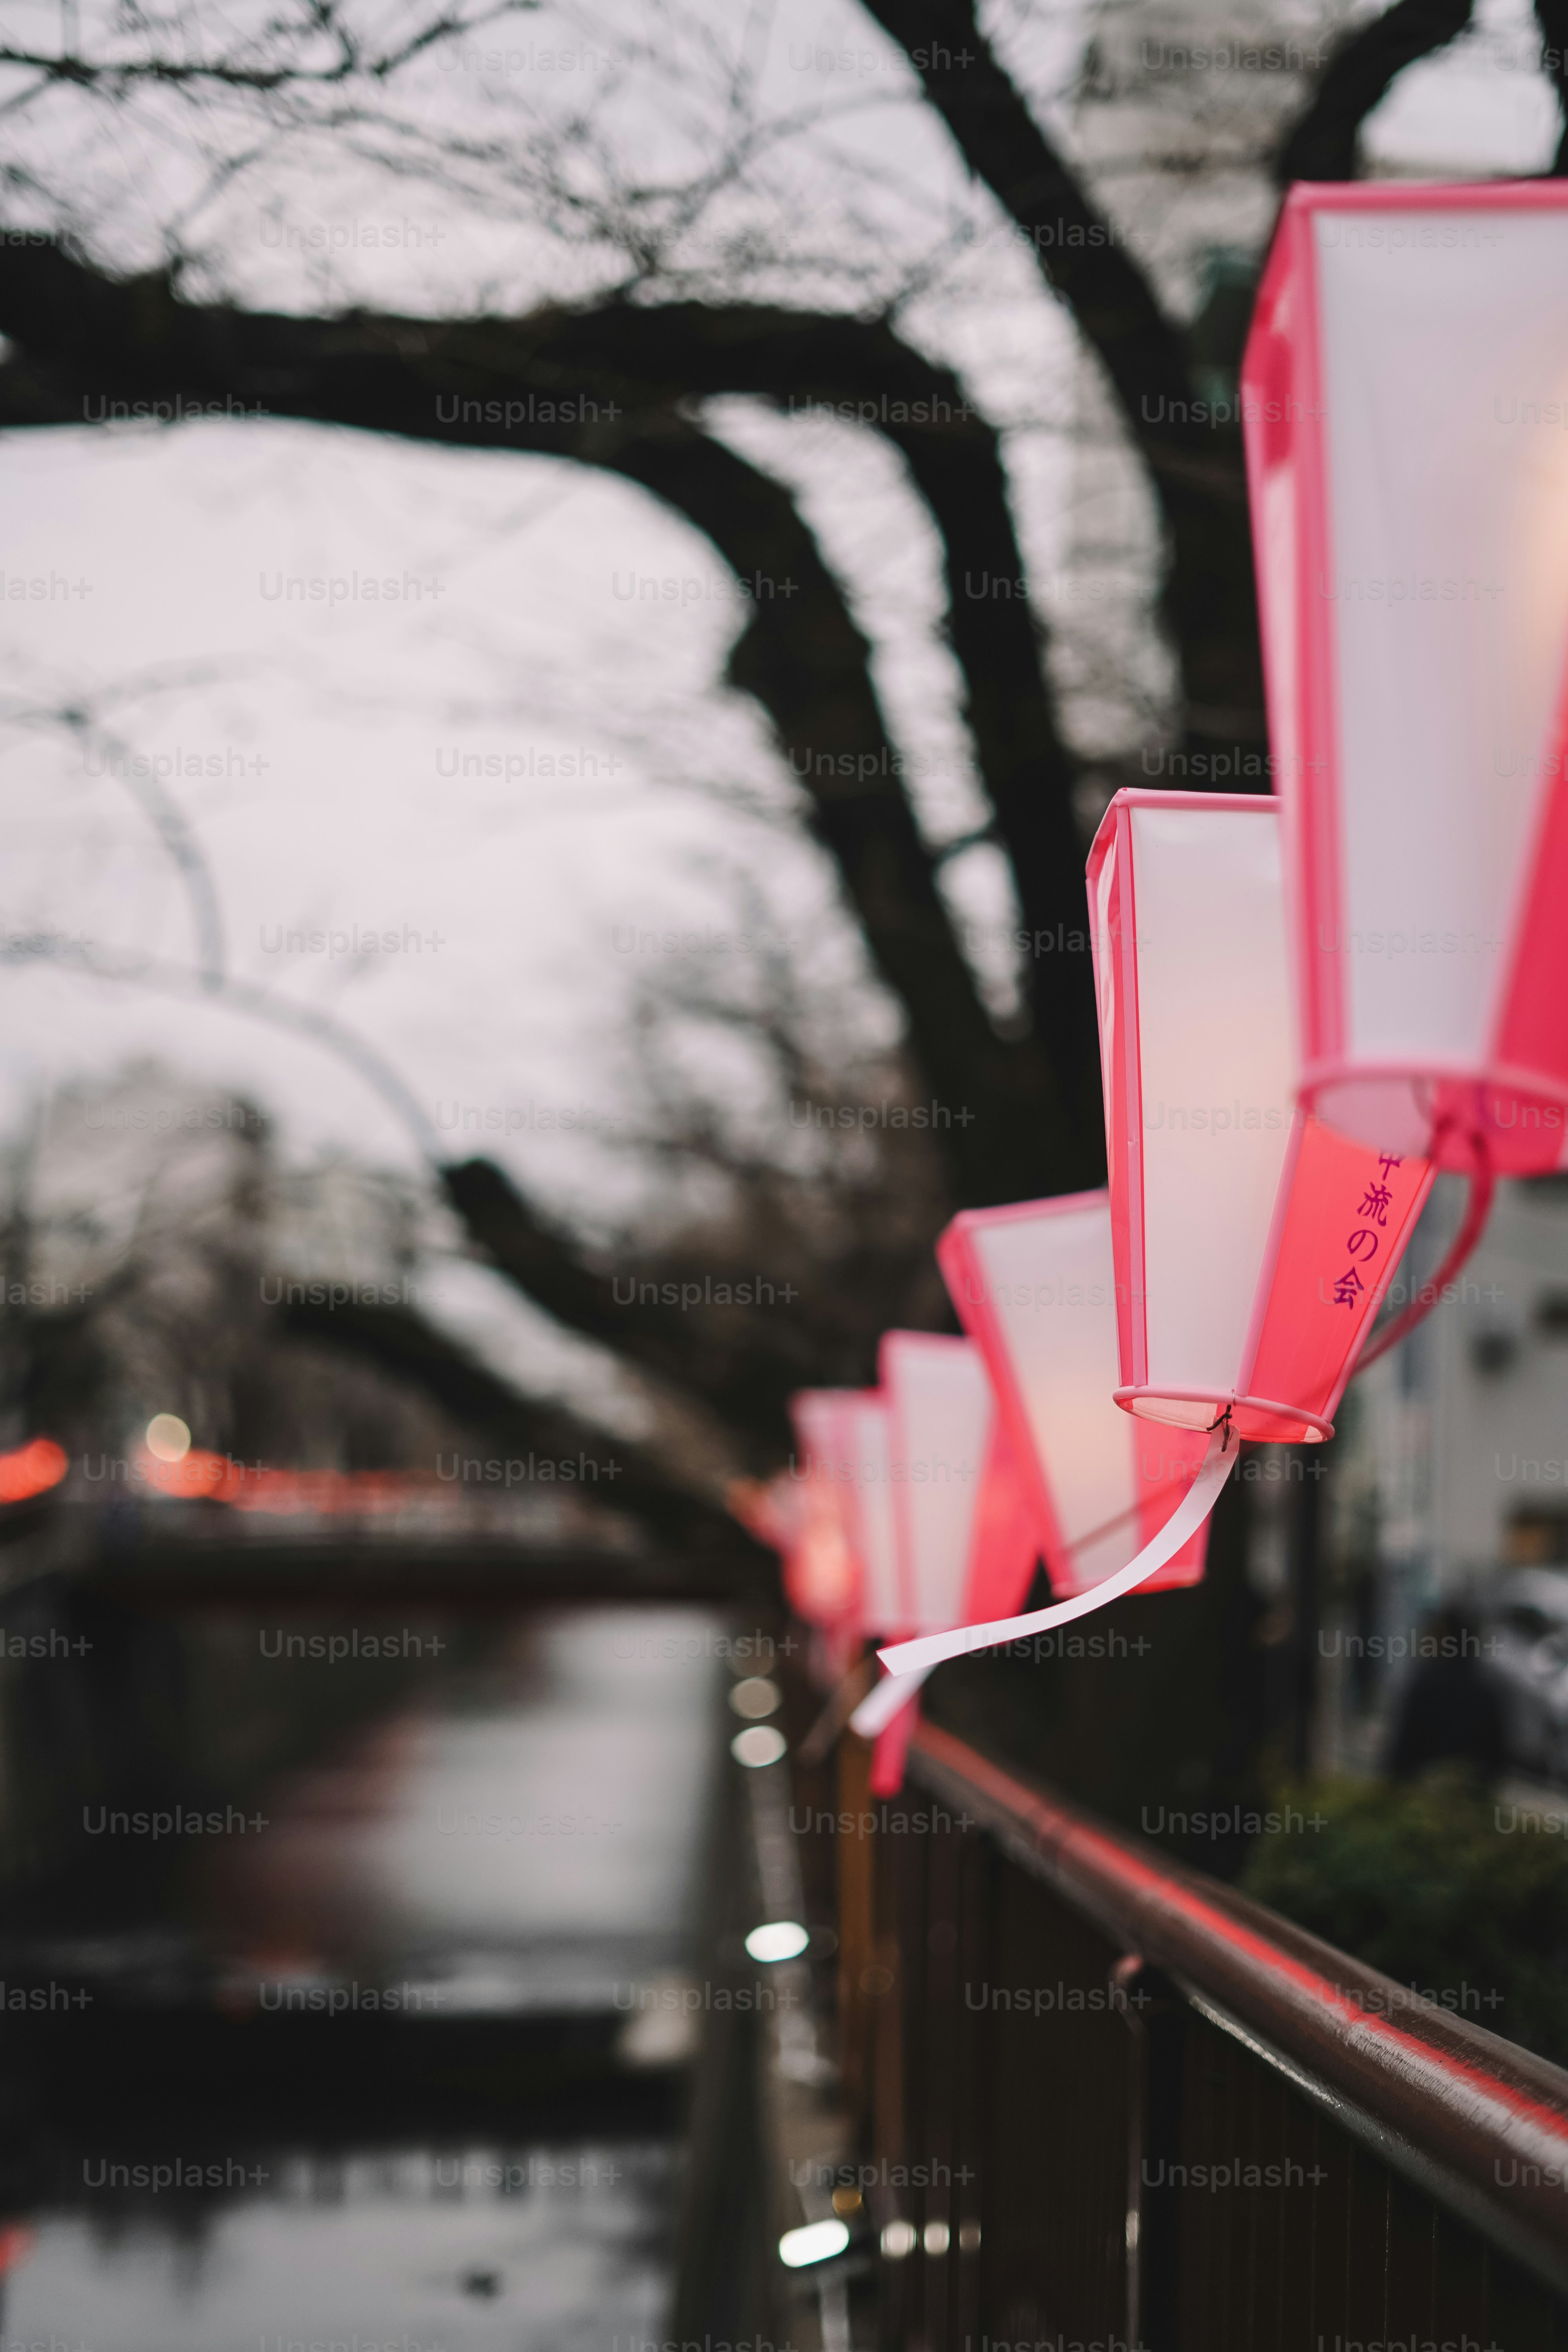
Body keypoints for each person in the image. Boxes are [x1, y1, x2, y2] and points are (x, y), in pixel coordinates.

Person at [1385, 1605, 1506, 1785]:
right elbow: (1496, 1762)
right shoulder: (1488, 1691)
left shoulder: (1425, 1686)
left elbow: (1400, 1758)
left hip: (1420, 1797)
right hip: (1467, 1800)